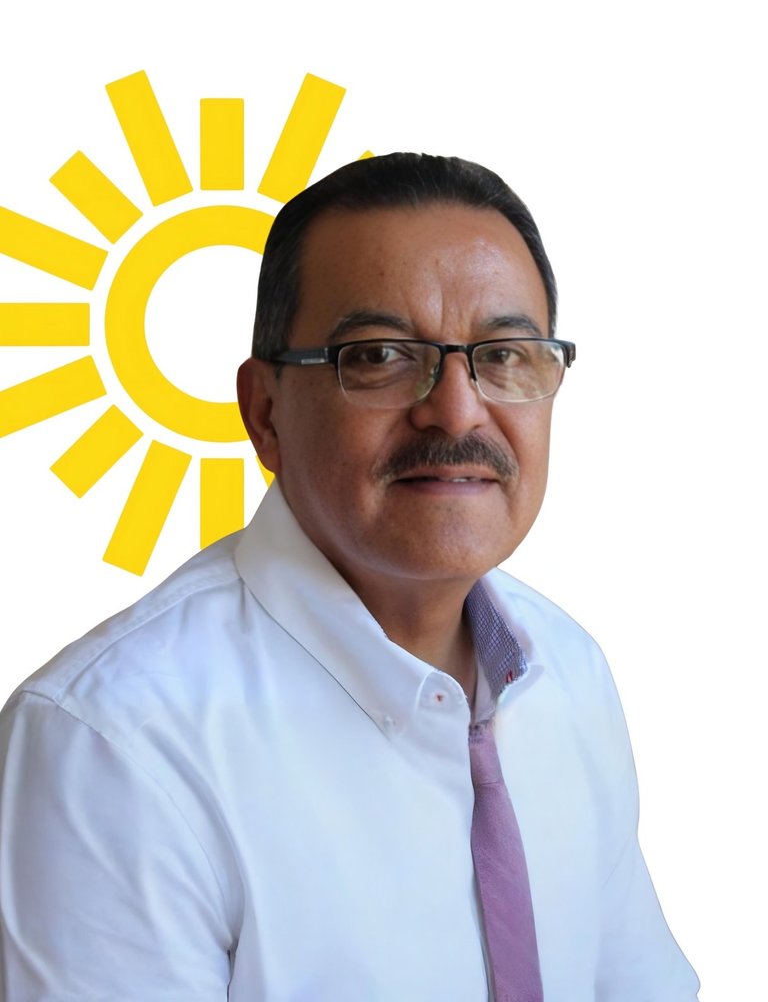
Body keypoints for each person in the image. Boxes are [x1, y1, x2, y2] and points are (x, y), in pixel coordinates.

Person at [0, 153, 699, 1001]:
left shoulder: (570, 673)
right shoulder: (112, 746)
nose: (456, 409)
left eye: (505, 355)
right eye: (378, 355)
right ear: (265, 413)